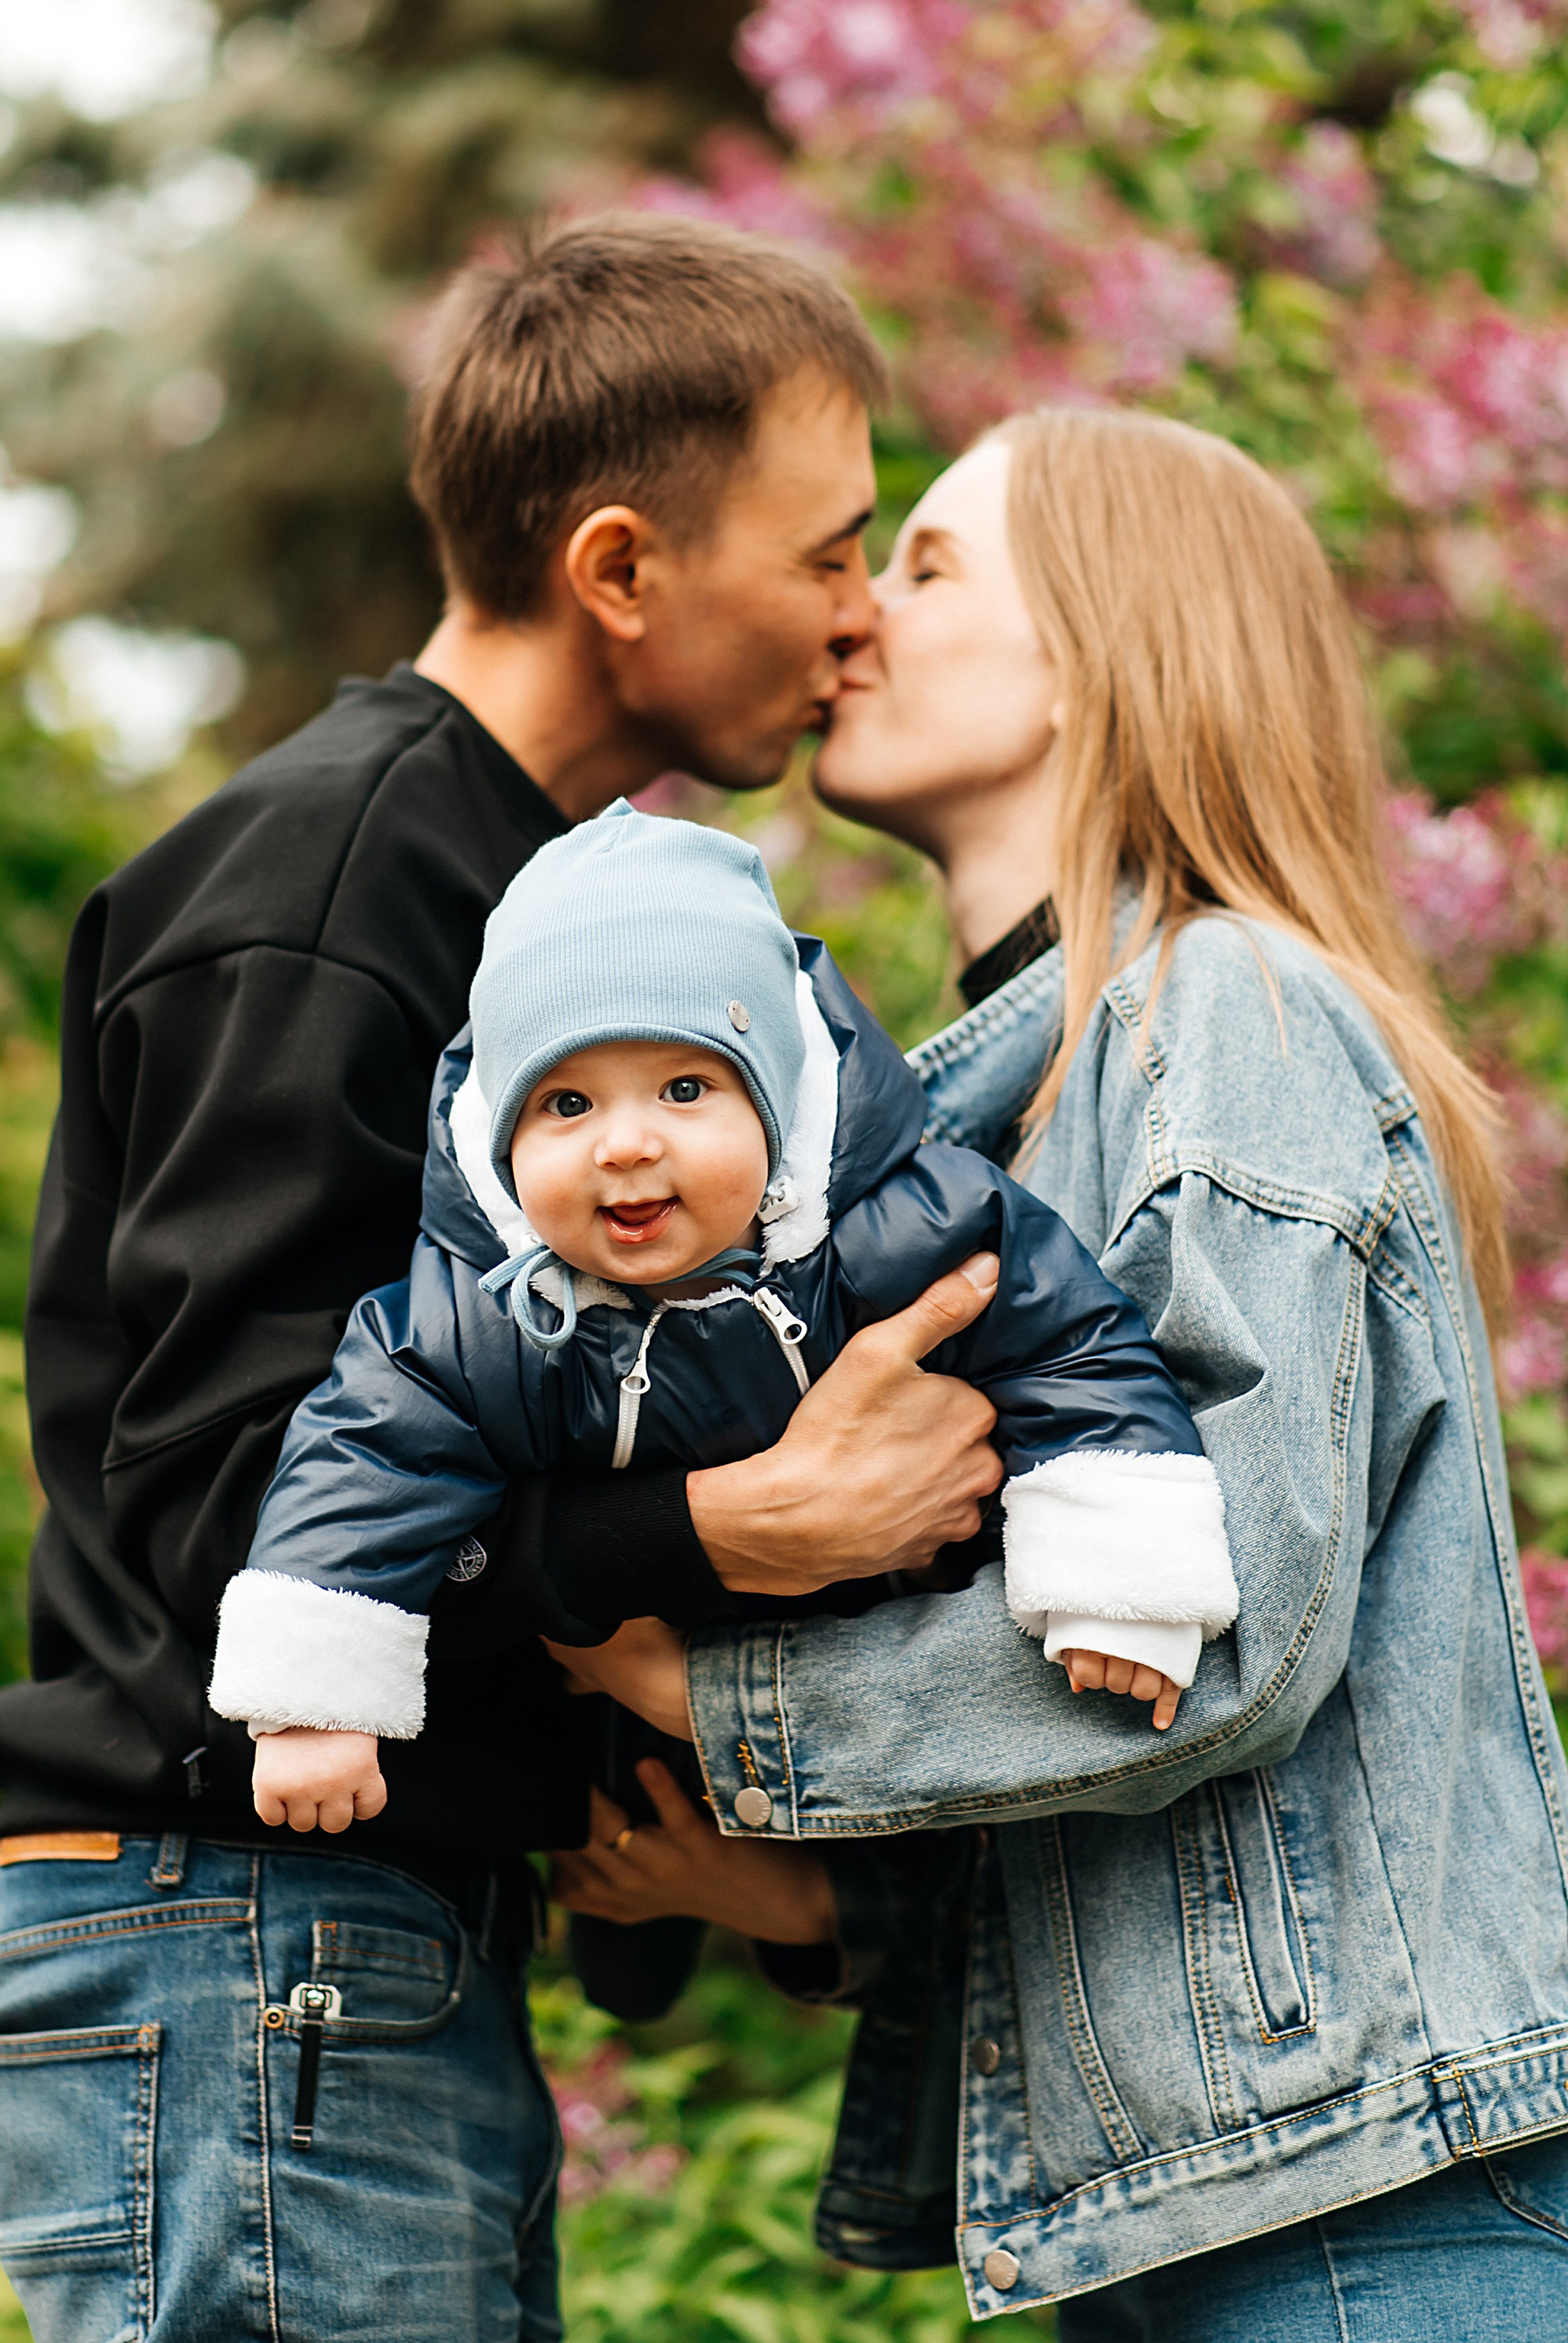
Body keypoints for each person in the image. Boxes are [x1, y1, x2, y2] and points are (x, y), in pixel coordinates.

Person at [0, 213, 1009, 2343]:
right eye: (827, 550)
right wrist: (717, 1527)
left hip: (337, 1946)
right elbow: (238, 1505)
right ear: (621, 571)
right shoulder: (339, 890)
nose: (858, 613)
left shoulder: (545, 921)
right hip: (241, 1920)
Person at [553, 408, 1568, 2340]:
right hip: (1237, 2210)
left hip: (1368, 2212)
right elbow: (1114, 1753)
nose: (853, 620)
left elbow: (1211, 1627)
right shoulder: (1013, 1115)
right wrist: (819, 1903)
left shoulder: (1230, 1012)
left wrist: (715, 1686)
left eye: (927, 567)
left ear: (1108, 649)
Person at [211, 796, 1234, 1850]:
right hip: (646, 1686)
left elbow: (1066, 1344)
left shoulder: (904, 1228)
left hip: (889, 1661)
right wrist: (315, 1701)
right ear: (503, 1134)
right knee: (626, 1848)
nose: (623, 1145)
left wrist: (1118, 1578)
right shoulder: (482, 1314)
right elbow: (366, 1462)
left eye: (685, 1087)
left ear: (777, 1105)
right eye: (566, 1104)